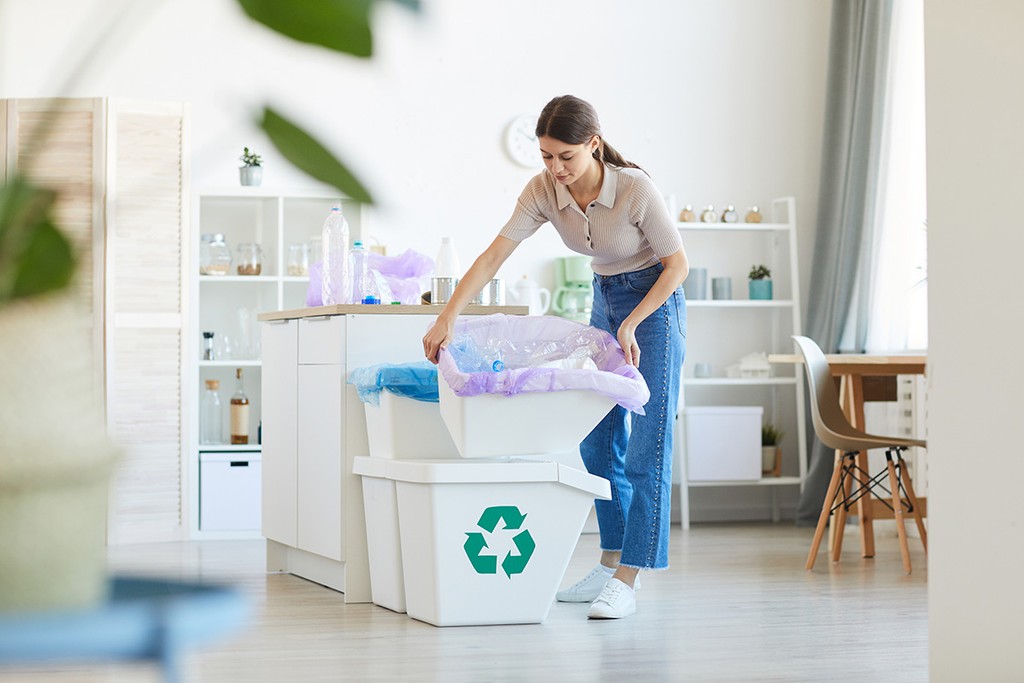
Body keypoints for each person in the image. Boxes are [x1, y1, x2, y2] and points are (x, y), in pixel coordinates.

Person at [422, 94, 687, 620]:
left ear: (593, 143)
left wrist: (635, 320)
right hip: (606, 298)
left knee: (647, 443)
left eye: (566, 156)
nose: (556, 168)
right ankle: (610, 561)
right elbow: (495, 253)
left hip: (654, 305)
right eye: (546, 156)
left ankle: (630, 577)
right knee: (597, 436)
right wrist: (448, 315)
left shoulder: (634, 189)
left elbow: (677, 264)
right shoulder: (543, 190)